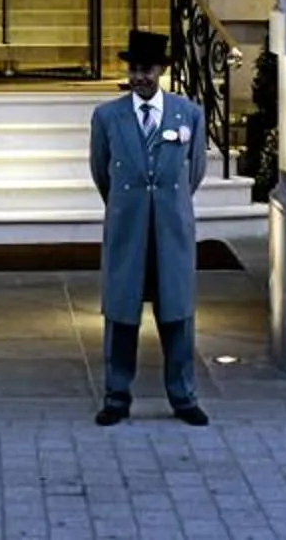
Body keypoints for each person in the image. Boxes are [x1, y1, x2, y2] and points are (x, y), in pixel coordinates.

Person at [89, 27, 207, 425]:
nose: (141, 76)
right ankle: (116, 396)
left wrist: (165, 203)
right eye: (136, 69)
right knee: (121, 314)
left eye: (148, 69)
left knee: (177, 315)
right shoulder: (107, 116)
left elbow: (195, 173)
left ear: (161, 70)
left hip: (171, 230)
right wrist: (131, 202)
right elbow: (101, 172)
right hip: (128, 228)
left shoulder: (188, 114)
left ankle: (183, 396)